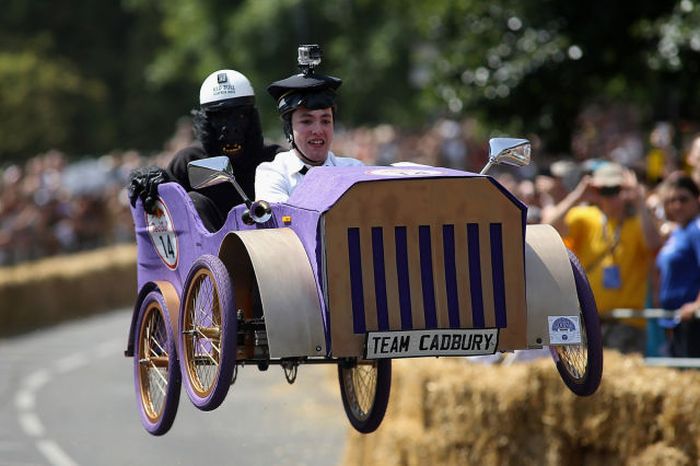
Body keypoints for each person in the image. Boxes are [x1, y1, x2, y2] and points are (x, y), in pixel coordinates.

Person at [129, 69, 280, 231]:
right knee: (194, 200)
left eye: (240, 116)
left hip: (270, 248)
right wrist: (154, 183)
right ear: (206, 121)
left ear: (252, 118)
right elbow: (162, 217)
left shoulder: (276, 158)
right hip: (209, 252)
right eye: (220, 117)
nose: (230, 128)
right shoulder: (188, 161)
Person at [546, 161, 662, 354]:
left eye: (615, 189)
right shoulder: (585, 216)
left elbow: (653, 244)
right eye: (604, 189)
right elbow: (547, 229)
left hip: (626, 322)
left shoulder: (638, 221)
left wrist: (639, 200)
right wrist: (578, 196)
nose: (610, 195)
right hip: (589, 321)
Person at [255, 45, 363, 203]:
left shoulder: (354, 170)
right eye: (306, 121)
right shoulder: (272, 173)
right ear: (288, 128)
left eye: (325, 121)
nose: (318, 130)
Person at [655, 172, 700, 357]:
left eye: (683, 199)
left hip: (693, 322)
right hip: (675, 322)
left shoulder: (697, 228)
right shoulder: (679, 230)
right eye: (672, 200)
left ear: (697, 200)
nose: (677, 205)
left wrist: (697, 305)